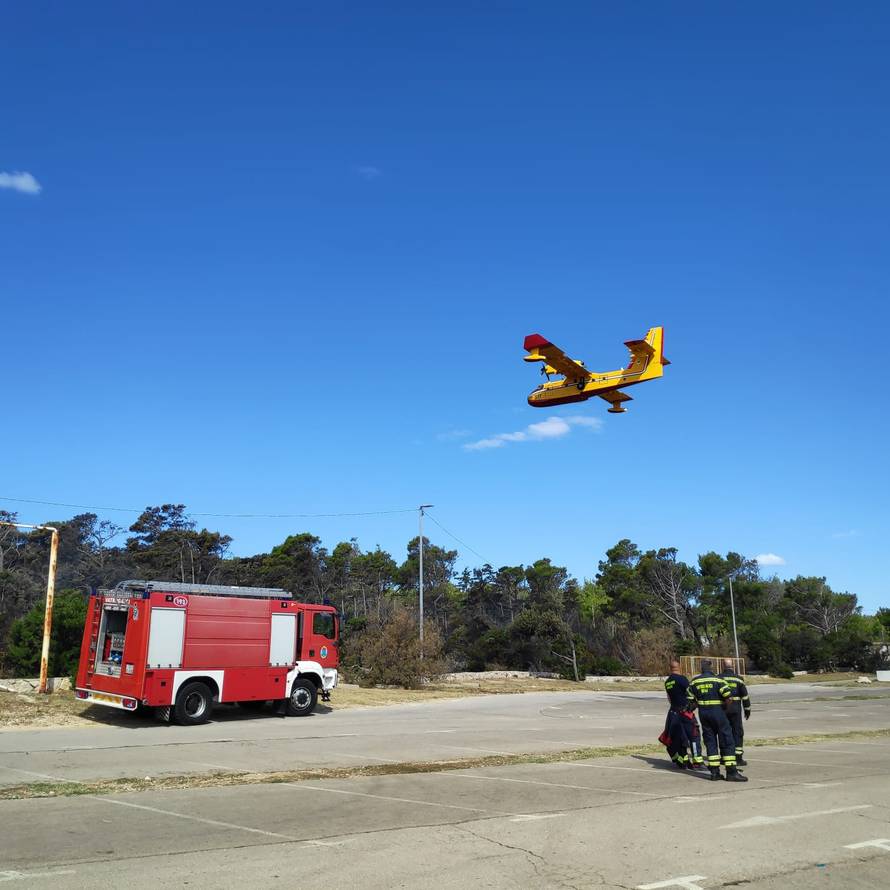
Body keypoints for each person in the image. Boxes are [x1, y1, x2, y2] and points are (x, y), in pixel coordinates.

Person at [686, 659, 748, 782]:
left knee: (710, 741)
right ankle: (731, 772)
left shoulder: (694, 682)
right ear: (711, 668)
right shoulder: (718, 680)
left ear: (701, 669)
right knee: (727, 740)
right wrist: (724, 709)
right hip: (718, 713)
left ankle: (714, 773)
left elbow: (691, 703)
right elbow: (728, 698)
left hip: (704, 715)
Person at [662, 659, 704, 769]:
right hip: (685, 712)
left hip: (674, 713)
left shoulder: (668, 682)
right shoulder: (682, 679)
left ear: (670, 668)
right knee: (694, 736)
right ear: (679, 667)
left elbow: (669, 699)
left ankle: (684, 761)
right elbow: (691, 693)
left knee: (681, 738)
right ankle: (697, 761)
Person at [719, 658, 752, 766]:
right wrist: (747, 710)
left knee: (724, 732)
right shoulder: (739, 679)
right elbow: (745, 696)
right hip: (736, 710)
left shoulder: (718, 678)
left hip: (723, 709)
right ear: (732, 666)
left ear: (723, 666)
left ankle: (724, 757)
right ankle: (738, 758)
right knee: (737, 732)